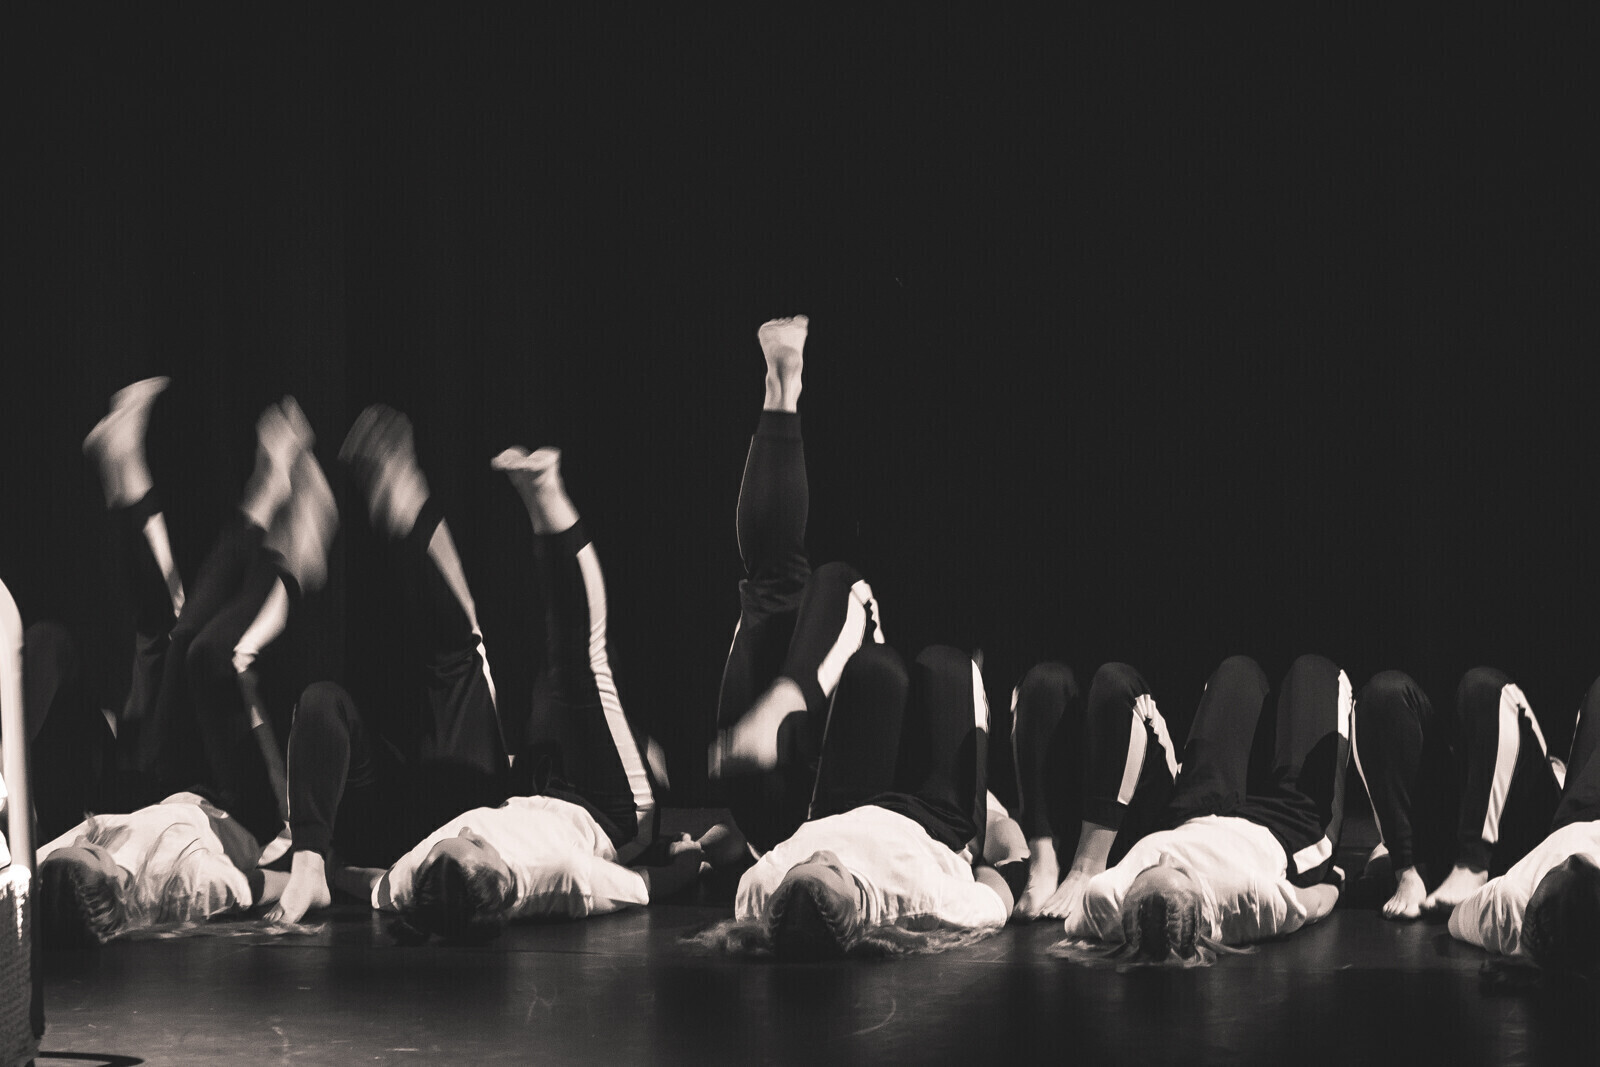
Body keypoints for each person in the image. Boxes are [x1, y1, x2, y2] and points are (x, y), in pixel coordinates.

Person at [268, 411, 663, 925]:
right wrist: (694, 857)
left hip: (450, 808)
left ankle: (307, 866)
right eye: (473, 844)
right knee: (555, 665)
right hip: (551, 803)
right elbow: (641, 885)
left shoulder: (420, 873)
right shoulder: (557, 874)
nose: (468, 834)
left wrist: (328, 866)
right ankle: (525, 499)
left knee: (324, 697)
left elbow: (376, 885)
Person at [33, 376, 335, 944]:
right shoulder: (191, 886)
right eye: (93, 853)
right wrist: (314, 873)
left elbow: (36, 867)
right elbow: (272, 884)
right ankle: (294, 555)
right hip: (246, 809)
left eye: (76, 846)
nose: (87, 838)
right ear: (114, 886)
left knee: (180, 637)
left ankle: (253, 495)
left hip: (172, 782)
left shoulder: (64, 867)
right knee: (210, 654)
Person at [699, 643, 1010, 959]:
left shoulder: (758, 892)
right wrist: (994, 851)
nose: (820, 855)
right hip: (935, 819)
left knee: (872, 664)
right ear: (858, 910)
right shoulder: (920, 900)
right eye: (831, 869)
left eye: (802, 864)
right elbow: (998, 899)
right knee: (946, 664)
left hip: (838, 807)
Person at [707, 315, 887, 856]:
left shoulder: (767, 864)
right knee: (830, 585)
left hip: (766, 807)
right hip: (817, 801)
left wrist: (708, 851)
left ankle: (781, 393)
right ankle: (781, 393)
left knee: (796, 584)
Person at [1055, 654, 1351, 966]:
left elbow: (1080, 924)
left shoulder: (1106, 899)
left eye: (1148, 870)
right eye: (1180, 871)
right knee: (1313, 671)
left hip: (1193, 811)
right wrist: (1334, 879)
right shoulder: (1247, 901)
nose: (1167, 858)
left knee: (1236, 671)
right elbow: (1317, 903)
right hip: (1285, 827)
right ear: (1204, 906)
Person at [1352, 667, 1565, 919]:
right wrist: (1395, 851)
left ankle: (1472, 866)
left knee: (1484, 686)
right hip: (1443, 845)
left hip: (1525, 836)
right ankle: (1409, 872)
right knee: (1383, 692)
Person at [1448, 680, 1600, 978]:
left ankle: (1557, 772)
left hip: (1577, 815)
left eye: (1562, 870)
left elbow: (1456, 920)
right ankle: (1558, 772)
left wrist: (1523, 951)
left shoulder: (1509, 901)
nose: (1573, 861)